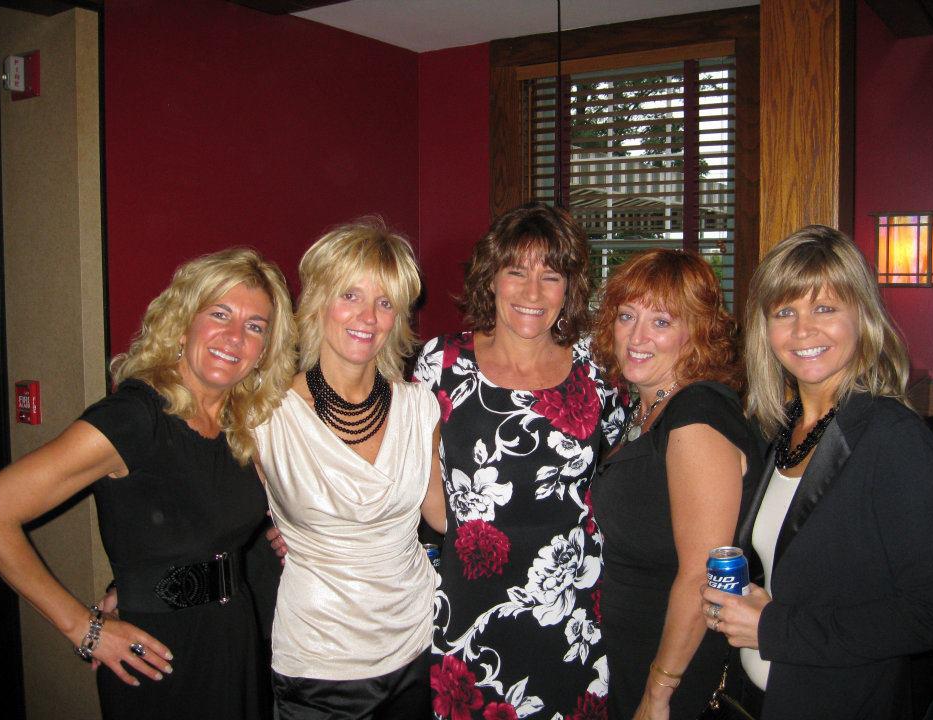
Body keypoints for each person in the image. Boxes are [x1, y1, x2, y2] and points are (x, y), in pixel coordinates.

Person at [0, 248, 297, 719]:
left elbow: (197, 520)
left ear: (265, 349)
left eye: (255, 326)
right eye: (219, 314)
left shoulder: (241, 423)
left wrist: (289, 530)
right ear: (183, 322)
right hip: (156, 656)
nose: (235, 336)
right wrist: (85, 628)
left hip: (233, 639)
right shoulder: (134, 418)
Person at [701, 225, 933, 720]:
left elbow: (931, 612)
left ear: (862, 317)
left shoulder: (892, 438)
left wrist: (774, 628)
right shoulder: (778, 429)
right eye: (784, 312)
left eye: (826, 308)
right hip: (759, 699)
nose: (802, 330)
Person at [413, 202, 625, 719]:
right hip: (471, 606)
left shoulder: (598, 368)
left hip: (573, 611)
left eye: (550, 277)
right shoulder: (442, 363)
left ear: (569, 289)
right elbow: (418, 480)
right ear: (491, 279)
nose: (533, 293)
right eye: (516, 272)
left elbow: (619, 469)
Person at [253, 220, 445, 720]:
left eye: (385, 302)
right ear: (319, 302)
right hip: (319, 662)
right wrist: (136, 585)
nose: (368, 317)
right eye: (350, 295)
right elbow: (212, 507)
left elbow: (446, 517)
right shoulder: (266, 414)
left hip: (419, 643)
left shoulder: (420, 407)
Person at [588, 248, 763, 719]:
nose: (637, 337)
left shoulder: (695, 416)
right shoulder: (643, 409)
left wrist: (659, 690)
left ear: (697, 332)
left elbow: (701, 573)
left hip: (675, 665)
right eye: (627, 316)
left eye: (661, 322)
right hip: (636, 650)